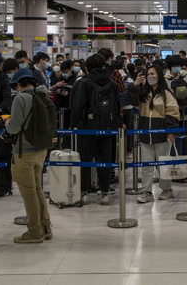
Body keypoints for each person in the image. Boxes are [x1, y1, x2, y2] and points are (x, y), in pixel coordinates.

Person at [5, 69, 52, 243]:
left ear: (18, 84)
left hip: (24, 152)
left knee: (29, 194)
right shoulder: (43, 96)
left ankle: (34, 232)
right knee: (38, 189)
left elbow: (15, 128)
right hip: (41, 150)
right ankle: (45, 227)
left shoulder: (20, 98)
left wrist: (8, 124)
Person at [70, 54, 121, 205]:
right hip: (107, 127)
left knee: (86, 159)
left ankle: (84, 192)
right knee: (104, 160)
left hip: (88, 126)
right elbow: (118, 105)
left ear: (88, 68)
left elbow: (78, 105)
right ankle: (104, 192)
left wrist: (74, 124)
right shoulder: (111, 82)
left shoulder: (85, 82)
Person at [128, 64, 180, 203]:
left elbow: (173, 111)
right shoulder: (144, 93)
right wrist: (135, 85)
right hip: (145, 134)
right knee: (146, 165)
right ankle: (146, 191)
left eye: (153, 74)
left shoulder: (166, 93)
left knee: (163, 164)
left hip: (161, 135)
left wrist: (170, 131)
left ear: (159, 75)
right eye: (148, 74)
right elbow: (132, 102)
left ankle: (167, 189)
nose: (151, 76)